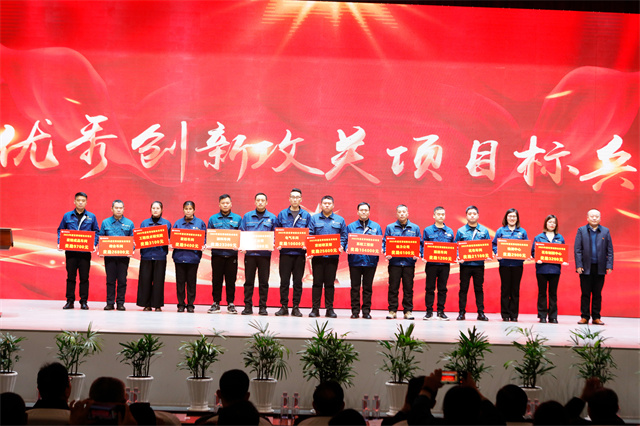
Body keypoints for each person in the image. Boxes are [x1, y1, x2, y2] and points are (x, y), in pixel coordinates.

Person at [57, 192, 99, 310]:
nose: (81, 202)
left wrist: (94, 244)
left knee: (84, 278)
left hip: (85, 254)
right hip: (71, 253)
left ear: (86, 202)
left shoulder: (91, 216)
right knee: (71, 277)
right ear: (74, 202)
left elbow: (96, 231)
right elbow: (61, 230)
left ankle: (83, 301)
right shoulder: (67, 216)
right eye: (78, 200)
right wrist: (60, 242)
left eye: (83, 200)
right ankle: (69, 301)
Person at [307, 195, 348, 318]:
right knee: (317, 283)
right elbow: (310, 234)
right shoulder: (314, 219)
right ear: (321, 205)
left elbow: (344, 236)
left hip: (332, 257)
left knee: (330, 284)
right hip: (318, 257)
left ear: (333, 205)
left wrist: (341, 245)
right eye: (324, 203)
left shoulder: (340, 220)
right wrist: (310, 249)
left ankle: (329, 309)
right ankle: (315, 309)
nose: (327, 205)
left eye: (329, 203)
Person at [274, 188, 311, 317]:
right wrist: (277, 242)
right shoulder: (282, 214)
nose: (295, 199)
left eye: (297, 197)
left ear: (301, 199)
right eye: (293, 197)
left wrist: (307, 245)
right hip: (285, 254)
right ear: (289, 199)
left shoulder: (306, 215)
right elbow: (276, 231)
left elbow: (310, 232)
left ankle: (296, 307)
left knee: (297, 282)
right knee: (284, 281)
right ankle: (284, 307)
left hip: (299, 255)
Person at [239, 193, 277, 316]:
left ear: (266, 202)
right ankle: (247, 306)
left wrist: (273, 243)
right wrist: (243, 245)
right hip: (250, 255)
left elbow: (275, 235)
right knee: (248, 282)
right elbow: (242, 232)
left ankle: (263, 307)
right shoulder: (247, 216)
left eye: (262, 200)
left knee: (264, 282)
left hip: (264, 255)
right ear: (255, 202)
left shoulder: (272, 217)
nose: (260, 202)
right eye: (258, 200)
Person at [574, 209, 613, 325]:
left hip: (600, 267)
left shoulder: (605, 231)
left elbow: (610, 250)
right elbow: (577, 249)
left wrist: (609, 265)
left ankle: (596, 317)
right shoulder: (581, 230)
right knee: (585, 293)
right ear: (587, 218)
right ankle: (584, 316)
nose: (594, 218)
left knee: (597, 293)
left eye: (597, 216)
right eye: (592, 216)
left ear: (600, 218)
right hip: (585, 267)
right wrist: (579, 265)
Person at [383, 205, 422, 320]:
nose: (402, 214)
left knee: (408, 288)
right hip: (394, 263)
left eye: (404, 212)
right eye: (399, 212)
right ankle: (392, 310)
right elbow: (385, 242)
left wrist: (418, 253)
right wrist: (386, 252)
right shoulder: (390, 227)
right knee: (393, 288)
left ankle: (408, 311)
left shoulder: (415, 228)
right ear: (396, 214)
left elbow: (419, 244)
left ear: (407, 213)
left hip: (409, 263)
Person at [346, 202, 382, 319]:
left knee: (367, 288)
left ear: (369, 212)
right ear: (357, 212)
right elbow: (346, 241)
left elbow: (380, 242)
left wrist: (381, 248)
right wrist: (347, 247)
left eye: (366, 210)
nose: (364, 212)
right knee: (355, 287)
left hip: (370, 262)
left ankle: (366, 311)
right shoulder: (351, 227)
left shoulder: (376, 227)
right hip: (355, 261)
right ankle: (355, 311)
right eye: (361, 210)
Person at [455, 205, 491, 321]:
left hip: (479, 265)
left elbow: (487, 246)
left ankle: (481, 313)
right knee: (463, 289)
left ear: (478, 215)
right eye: (469, 214)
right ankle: (461, 313)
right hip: (465, 265)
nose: (472, 216)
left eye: (474, 214)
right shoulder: (461, 231)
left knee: (479, 289)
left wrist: (488, 255)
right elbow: (456, 247)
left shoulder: (484, 230)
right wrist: (458, 256)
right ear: (466, 216)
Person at [207, 194, 242, 315]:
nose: (225, 205)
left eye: (227, 203)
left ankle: (230, 303)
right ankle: (216, 303)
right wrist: (208, 243)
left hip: (231, 255)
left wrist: (239, 245)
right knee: (216, 280)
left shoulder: (238, 219)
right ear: (219, 205)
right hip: (217, 254)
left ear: (231, 204)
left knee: (231, 280)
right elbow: (209, 235)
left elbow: (241, 236)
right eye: (223, 203)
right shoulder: (213, 219)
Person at [492, 208, 529, 322]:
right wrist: (497, 252)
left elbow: (526, 246)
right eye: (510, 216)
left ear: (517, 218)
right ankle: (505, 314)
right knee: (505, 289)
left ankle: (514, 314)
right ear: (506, 218)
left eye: (514, 216)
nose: (512, 218)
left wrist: (526, 254)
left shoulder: (522, 232)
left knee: (515, 290)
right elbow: (494, 244)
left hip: (518, 265)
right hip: (504, 265)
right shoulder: (501, 231)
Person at [98, 200, 135, 311]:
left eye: (120, 208)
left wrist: (131, 250)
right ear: (112, 209)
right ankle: (110, 303)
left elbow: (133, 240)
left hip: (123, 258)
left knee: (122, 281)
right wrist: (101, 250)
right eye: (116, 207)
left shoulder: (129, 223)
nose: (118, 210)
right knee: (110, 281)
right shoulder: (105, 222)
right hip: (109, 258)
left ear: (123, 209)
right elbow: (101, 237)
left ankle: (120, 303)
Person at [137, 201, 172, 312]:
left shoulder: (167, 224)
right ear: (150, 209)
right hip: (146, 256)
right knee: (145, 280)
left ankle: (157, 305)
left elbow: (171, 239)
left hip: (160, 256)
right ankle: (146, 304)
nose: (155, 210)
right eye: (153, 208)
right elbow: (140, 238)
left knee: (158, 281)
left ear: (162, 210)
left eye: (158, 208)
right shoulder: (144, 223)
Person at [172, 201, 207, 313]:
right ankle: (181, 304)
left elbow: (204, 237)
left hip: (193, 258)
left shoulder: (200, 223)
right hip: (179, 257)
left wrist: (203, 245)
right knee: (180, 282)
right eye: (186, 209)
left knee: (191, 282)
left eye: (190, 209)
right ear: (183, 210)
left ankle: (191, 304)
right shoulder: (178, 223)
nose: (188, 211)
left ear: (194, 210)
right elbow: (173, 238)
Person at [532, 214, 567, 323]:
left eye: (554, 223)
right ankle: (542, 316)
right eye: (550, 222)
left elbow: (562, 253)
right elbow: (533, 252)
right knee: (542, 293)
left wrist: (563, 260)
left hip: (555, 270)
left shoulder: (560, 238)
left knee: (553, 293)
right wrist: (536, 258)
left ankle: (553, 316)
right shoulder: (538, 237)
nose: (552, 224)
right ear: (546, 223)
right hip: (542, 269)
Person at [422, 206, 454, 321]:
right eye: (438, 214)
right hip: (431, 264)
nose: (441, 216)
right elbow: (423, 245)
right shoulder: (428, 230)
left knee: (442, 289)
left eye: (443, 214)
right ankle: (429, 312)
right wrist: (423, 255)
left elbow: (453, 247)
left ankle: (441, 312)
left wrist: (455, 256)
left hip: (444, 265)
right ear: (434, 216)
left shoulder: (450, 231)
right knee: (430, 288)